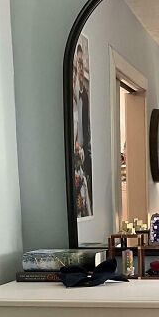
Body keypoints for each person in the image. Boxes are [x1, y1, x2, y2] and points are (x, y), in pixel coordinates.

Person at [73, 42, 92, 214]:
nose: (80, 69)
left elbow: (87, 130)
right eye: (78, 64)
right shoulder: (72, 97)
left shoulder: (84, 94)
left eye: (81, 64)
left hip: (84, 157)